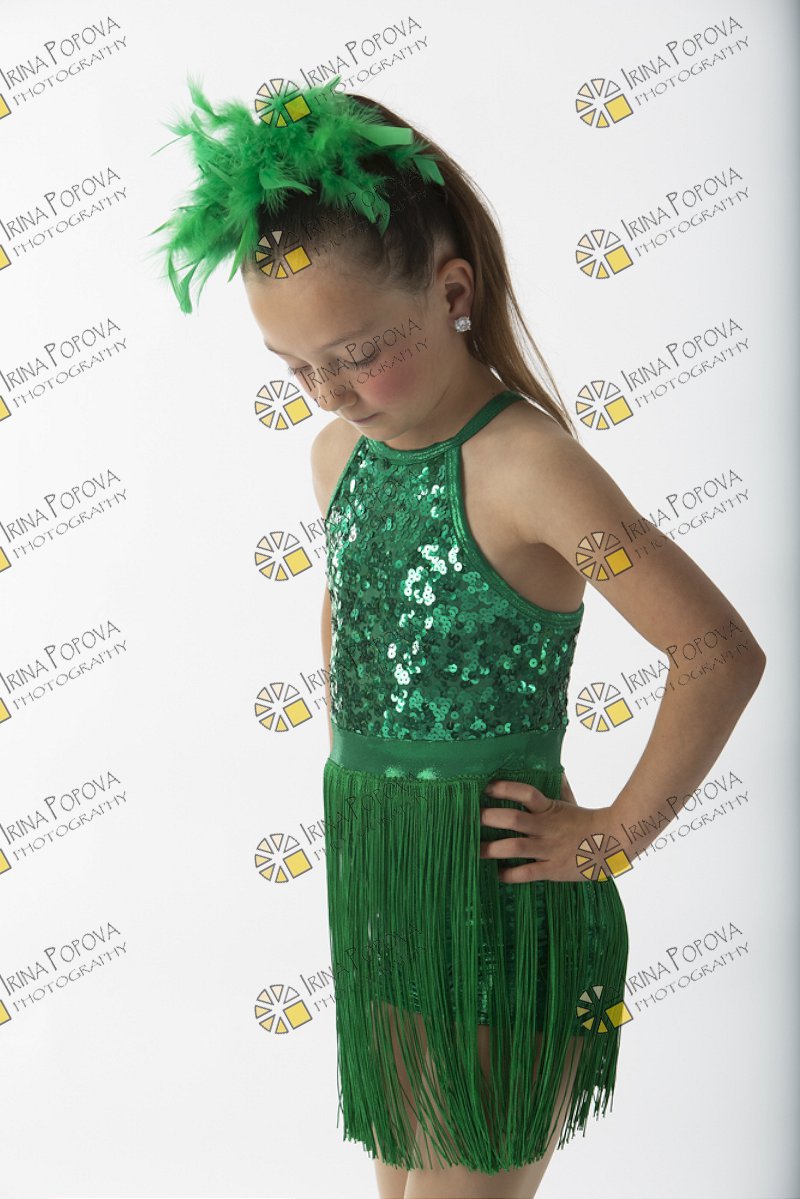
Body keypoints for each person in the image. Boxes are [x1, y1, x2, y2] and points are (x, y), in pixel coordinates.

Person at [150, 74, 767, 1199]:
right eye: (296, 368)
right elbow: (351, 624)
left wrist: (613, 835)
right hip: (388, 893)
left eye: (356, 351)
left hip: (500, 910)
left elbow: (716, 650)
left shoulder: (530, 468)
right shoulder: (337, 458)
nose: (330, 391)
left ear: (451, 290)